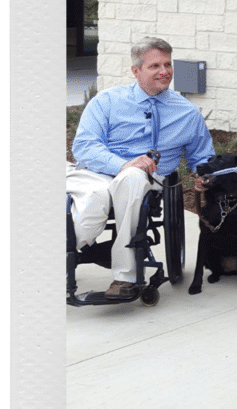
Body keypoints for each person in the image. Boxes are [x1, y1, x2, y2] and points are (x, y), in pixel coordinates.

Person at [67, 37, 214, 298]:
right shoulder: (108, 101)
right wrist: (123, 163)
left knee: (134, 176)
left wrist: (202, 175)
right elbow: (85, 146)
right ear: (136, 71)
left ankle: (126, 278)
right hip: (95, 173)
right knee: (94, 198)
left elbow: (202, 157)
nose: (165, 71)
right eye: (155, 65)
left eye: (168, 64)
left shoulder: (186, 112)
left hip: (148, 180)